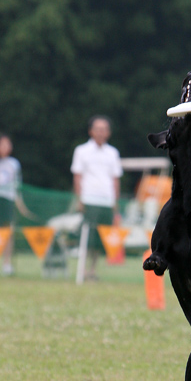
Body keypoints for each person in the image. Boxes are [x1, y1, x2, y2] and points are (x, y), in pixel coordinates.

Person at [71, 115, 123, 280]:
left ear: (108, 132)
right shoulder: (81, 151)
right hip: (89, 199)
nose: (101, 132)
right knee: (87, 237)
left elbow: (115, 179)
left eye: (104, 129)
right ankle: (83, 270)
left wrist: (115, 201)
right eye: (98, 129)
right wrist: (79, 198)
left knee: (101, 239)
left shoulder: (113, 153)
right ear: (90, 131)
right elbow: (78, 176)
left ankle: (93, 270)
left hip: (106, 200)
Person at [0, 134, 25, 275]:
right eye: (2, 144)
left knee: (8, 231)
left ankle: (7, 264)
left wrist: (19, 201)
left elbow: (17, 184)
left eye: (8, 144)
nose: (5, 147)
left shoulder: (14, 163)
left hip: (8, 198)